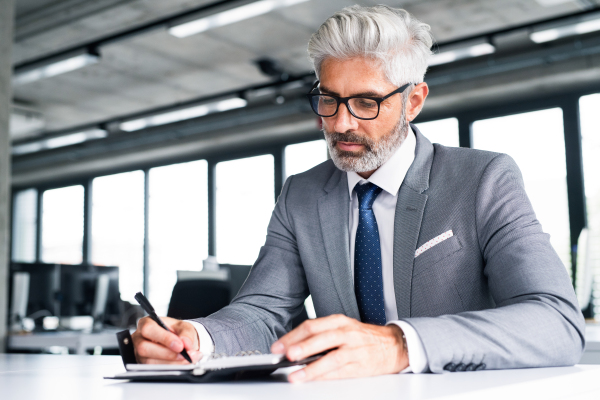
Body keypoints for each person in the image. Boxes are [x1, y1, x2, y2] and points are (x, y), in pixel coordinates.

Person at [132, 5, 585, 382]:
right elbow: (263, 310)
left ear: (414, 100)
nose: (341, 123)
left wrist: (400, 344)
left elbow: (556, 322)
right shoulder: (302, 195)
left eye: (366, 103)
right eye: (328, 100)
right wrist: (198, 337)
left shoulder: (484, 178)